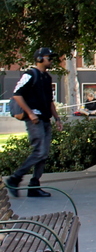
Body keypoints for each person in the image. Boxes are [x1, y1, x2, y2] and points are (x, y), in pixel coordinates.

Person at [5, 48, 64, 198]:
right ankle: (14, 179)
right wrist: (30, 113)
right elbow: (17, 94)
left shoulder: (47, 77)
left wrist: (57, 118)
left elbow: (50, 101)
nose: (51, 60)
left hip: (45, 119)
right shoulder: (30, 75)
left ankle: (34, 186)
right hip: (35, 120)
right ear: (39, 58)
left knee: (43, 155)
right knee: (40, 152)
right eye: (48, 57)